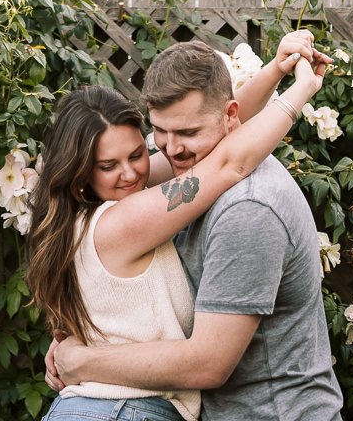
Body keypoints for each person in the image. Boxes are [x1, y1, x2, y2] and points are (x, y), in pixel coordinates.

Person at [27, 34, 327, 421]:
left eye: (138, 153)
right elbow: (225, 163)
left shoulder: (122, 195)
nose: (134, 171)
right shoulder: (123, 219)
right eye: (107, 165)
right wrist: (303, 89)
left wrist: (275, 70)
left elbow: (219, 129)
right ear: (80, 172)